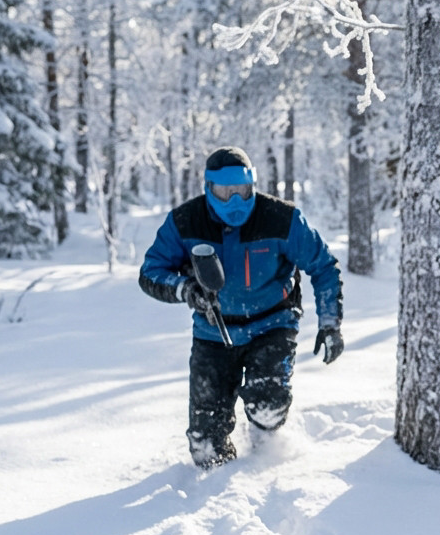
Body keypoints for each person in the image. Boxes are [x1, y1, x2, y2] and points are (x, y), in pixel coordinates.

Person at [139, 146, 345, 469]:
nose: (235, 200)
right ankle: (219, 492)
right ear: (209, 189)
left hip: (272, 324)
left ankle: (266, 459)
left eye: (242, 190)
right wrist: (187, 289)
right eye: (225, 192)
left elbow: (323, 265)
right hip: (213, 330)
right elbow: (151, 271)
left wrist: (330, 322)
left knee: (267, 407)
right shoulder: (185, 222)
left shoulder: (282, 219)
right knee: (205, 449)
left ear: (253, 185)